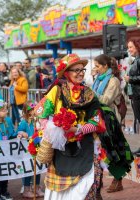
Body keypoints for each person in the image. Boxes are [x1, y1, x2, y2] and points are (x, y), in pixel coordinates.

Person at [34, 54, 133, 200]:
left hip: (86, 146)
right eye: (76, 70)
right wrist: (54, 129)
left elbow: (96, 121)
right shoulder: (57, 91)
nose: (80, 73)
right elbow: (40, 113)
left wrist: (78, 129)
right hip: (62, 150)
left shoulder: (89, 93)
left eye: (82, 70)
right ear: (66, 73)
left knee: (88, 185)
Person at [92, 54, 124, 193]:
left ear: (105, 66)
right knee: (100, 151)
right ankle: (98, 185)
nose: (95, 68)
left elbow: (105, 100)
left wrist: (90, 94)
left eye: (98, 66)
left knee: (113, 151)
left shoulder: (113, 81)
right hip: (99, 119)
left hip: (110, 120)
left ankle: (118, 180)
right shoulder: (98, 80)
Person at [16, 100, 44, 198]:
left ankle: (36, 187)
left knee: (38, 169)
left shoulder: (38, 120)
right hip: (27, 151)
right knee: (27, 169)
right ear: (28, 112)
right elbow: (18, 132)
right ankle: (26, 188)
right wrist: (22, 133)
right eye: (33, 109)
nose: (35, 111)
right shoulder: (24, 122)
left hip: (37, 149)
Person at [125, 37, 140, 152]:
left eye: (131, 47)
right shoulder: (136, 59)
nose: (129, 50)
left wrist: (130, 79)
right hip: (135, 94)